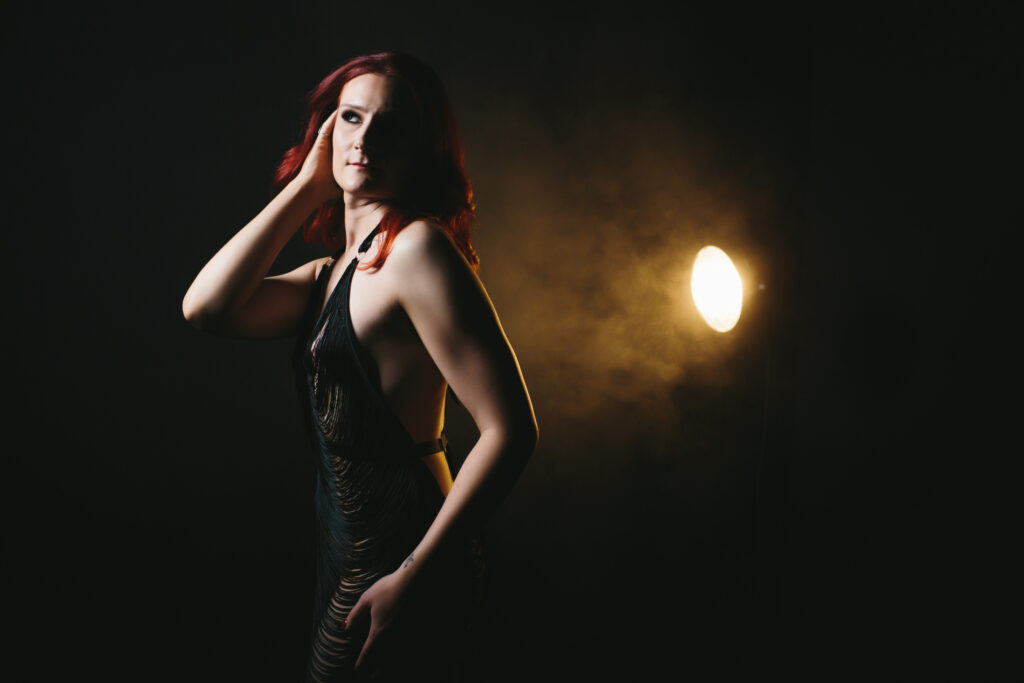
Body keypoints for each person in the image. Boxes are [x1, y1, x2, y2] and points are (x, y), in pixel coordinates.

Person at [182, 51, 538, 682]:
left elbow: (511, 430)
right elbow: (207, 308)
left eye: (389, 125)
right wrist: (306, 188)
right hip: (345, 546)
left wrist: (413, 575)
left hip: (410, 550)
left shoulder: (416, 250)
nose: (365, 139)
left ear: (421, 147)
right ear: (326, 130)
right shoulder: (331, 274)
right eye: (351, 117)